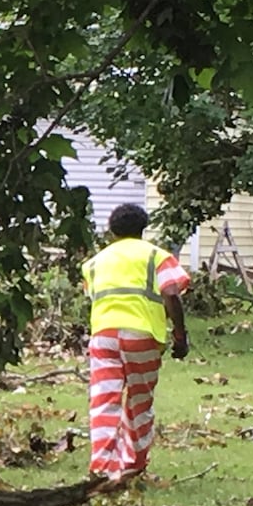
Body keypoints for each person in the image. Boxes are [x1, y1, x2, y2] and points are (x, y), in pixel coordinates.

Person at [81, 204, 190, 485]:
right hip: (142, 336)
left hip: (103, 335)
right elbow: (172, 293)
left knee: (104, 401)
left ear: (112, 230)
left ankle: (102, 467)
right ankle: (132, 466)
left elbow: (93, 296)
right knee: (139, 402)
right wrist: (180, 335)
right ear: (143, 228)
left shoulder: (94, 263)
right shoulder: (157, 257)